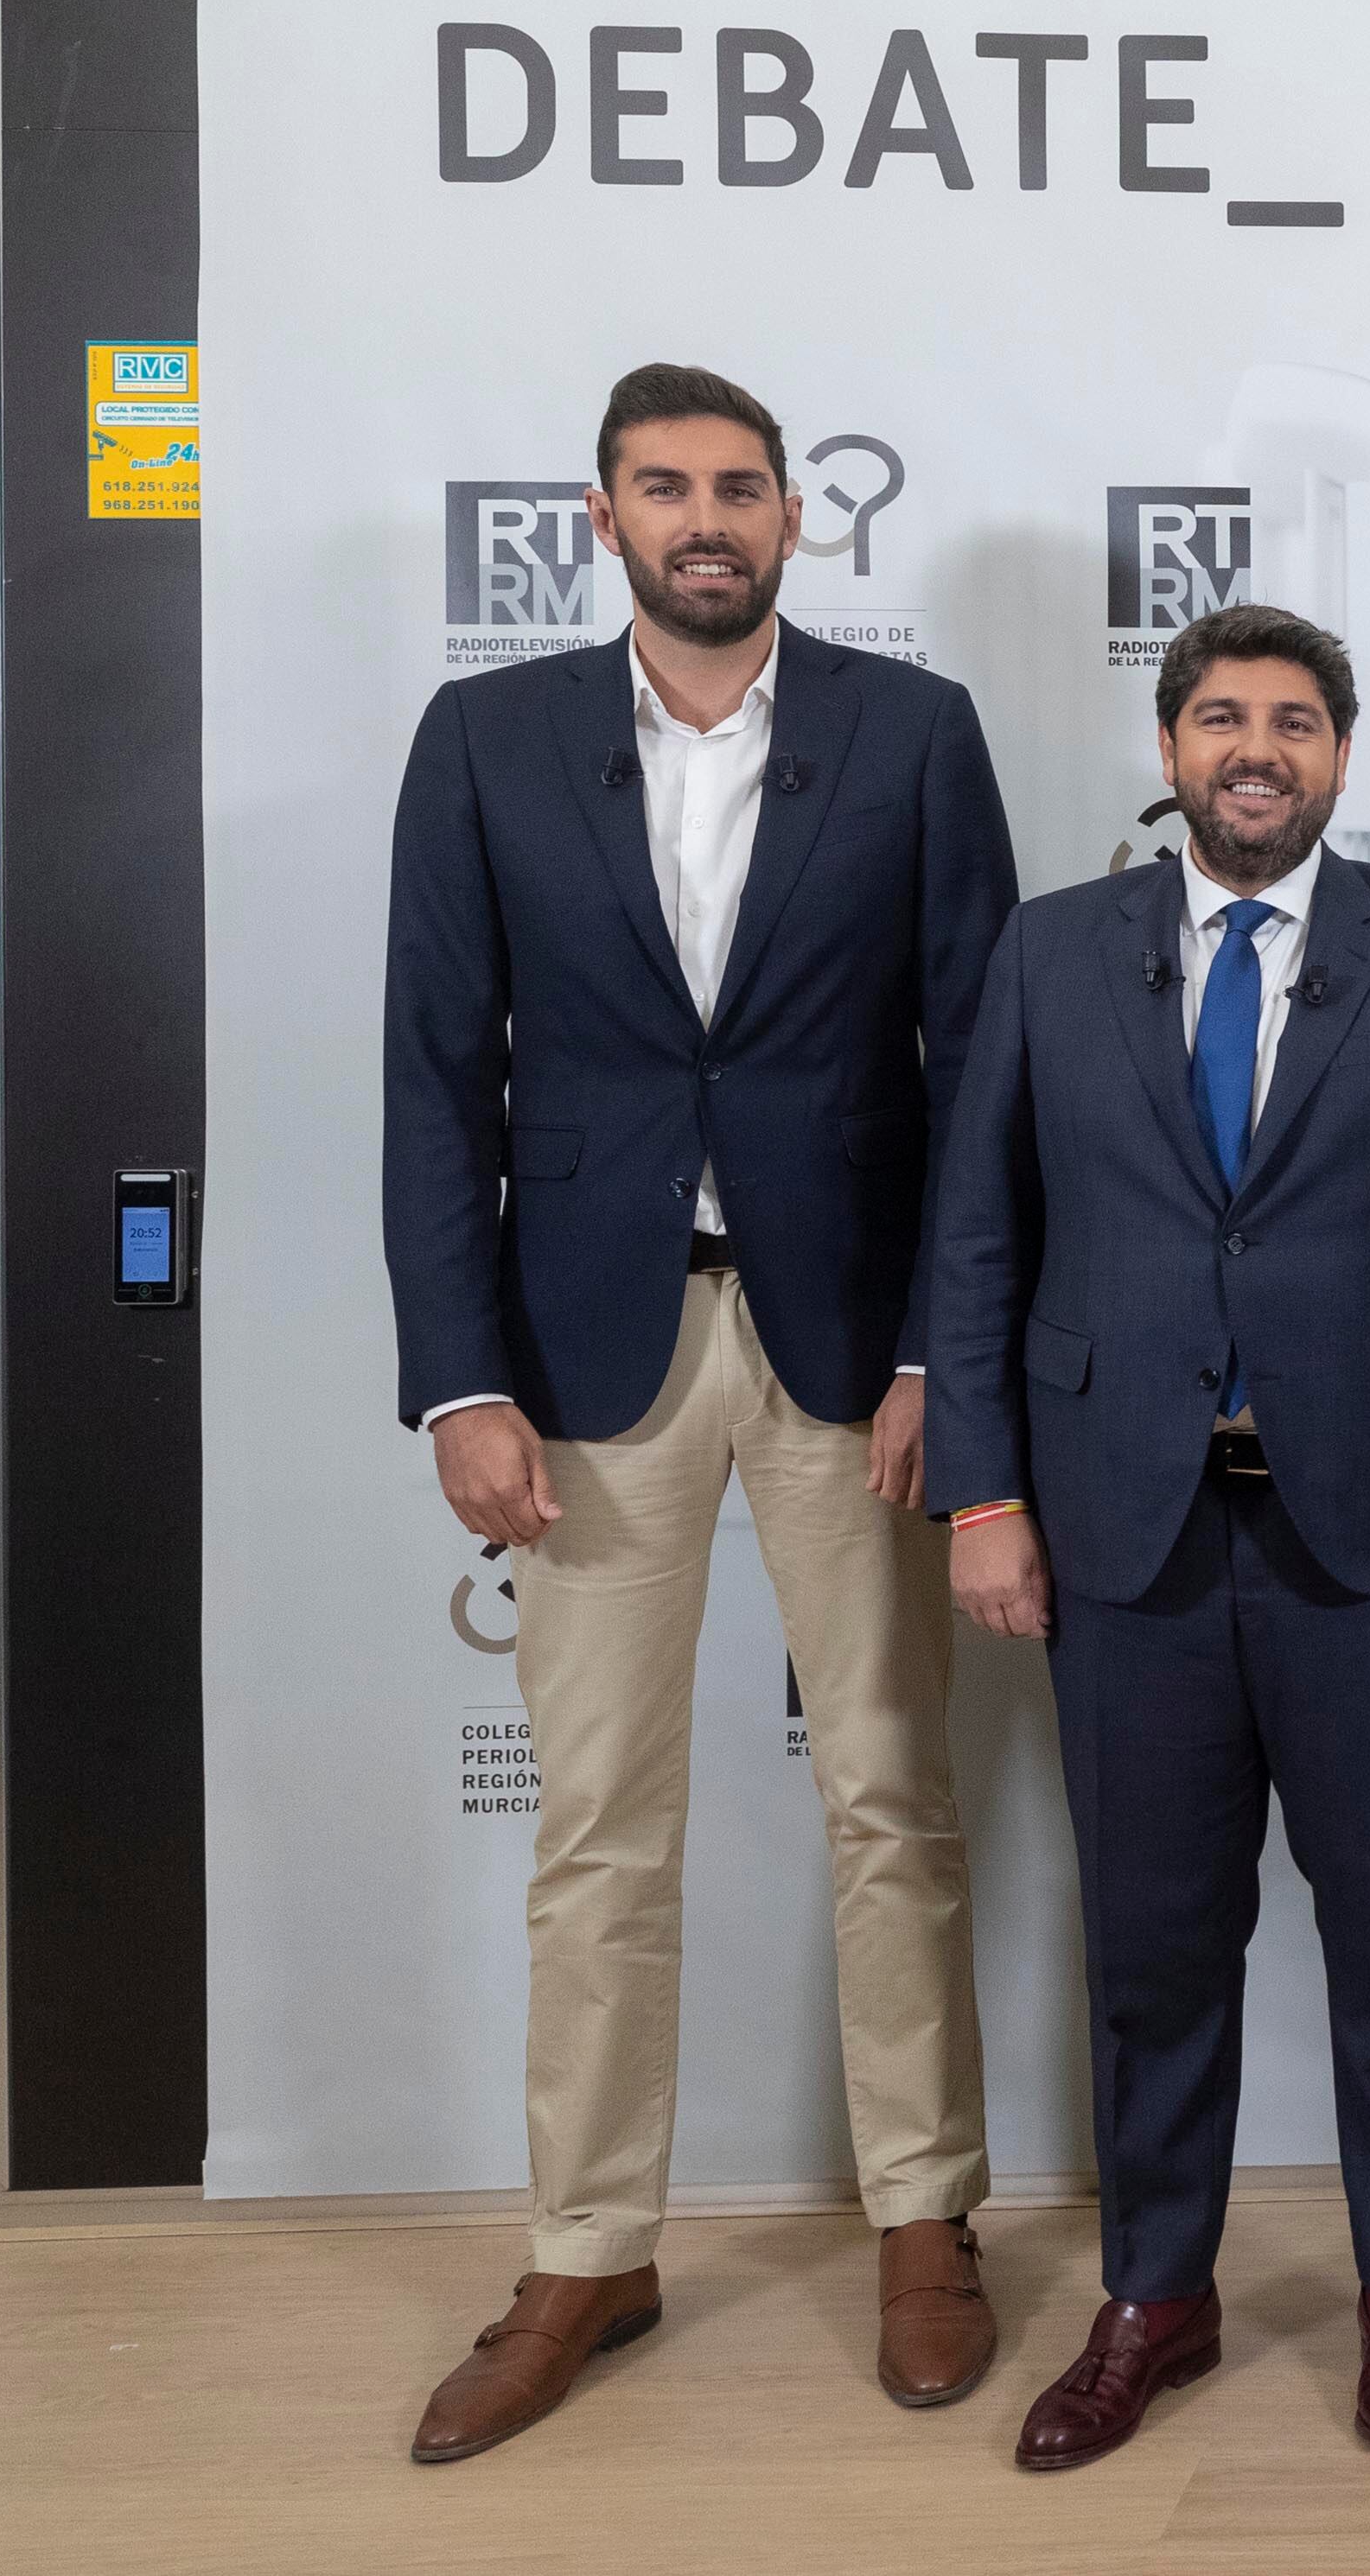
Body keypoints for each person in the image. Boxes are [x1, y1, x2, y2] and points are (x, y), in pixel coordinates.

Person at [383, 363, 1019, 2461]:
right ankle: (588, 2247)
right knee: (596, 1833)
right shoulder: (485, 740)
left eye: (737, 485)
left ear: (791, 516)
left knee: (892, 1802)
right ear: (604, 517)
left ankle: (923, 2217)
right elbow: (431, 1076)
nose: (705, 517)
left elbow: (979, 1071)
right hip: (583, 1357)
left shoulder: (910, 735)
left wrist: (951, 1349)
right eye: (664, 487)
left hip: (853, 1350)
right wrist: (462, 1375)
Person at [927, 601, 1370, 2470]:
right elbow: (975, 1240)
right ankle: (1158, 2294)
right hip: (1121, 1535)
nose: (1254, 748)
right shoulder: (1052, 955)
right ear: (1166, 749)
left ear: (1342, 757)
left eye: (1293, 721)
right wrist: (983, 1492)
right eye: (1220, 716)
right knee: (1150, 1946)